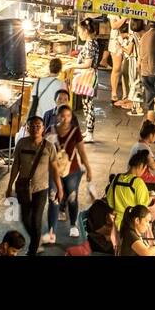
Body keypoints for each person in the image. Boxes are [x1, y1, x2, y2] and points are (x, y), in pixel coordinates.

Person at [6, 116, 61, 255]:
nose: (35, 128)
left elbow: (55, 169)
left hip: (41, 189)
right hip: (23, 188)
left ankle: (32, 250)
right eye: (32, 125)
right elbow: (15, 165)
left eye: (38, 126)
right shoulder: (21, 143)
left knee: (36, 220)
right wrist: (9, 185)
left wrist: (60, 189)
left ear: (43, 128)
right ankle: (37, 240)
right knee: (25, 219)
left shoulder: (49, 147)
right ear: (27, 127)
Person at [46, 103, 92, 243]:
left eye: (68, 116)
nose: (65, 119)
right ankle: (51, 231)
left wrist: (88, 168)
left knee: (72, 198)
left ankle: (73, 225)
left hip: (72, 171)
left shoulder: (75, 131)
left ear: (71, 117)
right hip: (54, 171)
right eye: (62, 116)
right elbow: (43, 151)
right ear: (57, 116)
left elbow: (82, 151)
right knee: (53, 199)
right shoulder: (50, 131)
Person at [105, 152, 153, 229]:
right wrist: (150, 198)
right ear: (141, 166)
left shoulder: (116, 178)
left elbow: (110, 202)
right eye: (145, 168)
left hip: (116, 224)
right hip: (130, 226)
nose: (144, 171)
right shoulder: (138, 182)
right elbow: (142, 210)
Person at [29, 58, 67, 123]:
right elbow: (64, 105)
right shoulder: (62, 84)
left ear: (49, 68)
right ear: (60, 70)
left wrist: (27, 118)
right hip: (53, 120)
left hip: (38, 118)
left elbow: (31, 102)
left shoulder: (38, 82)